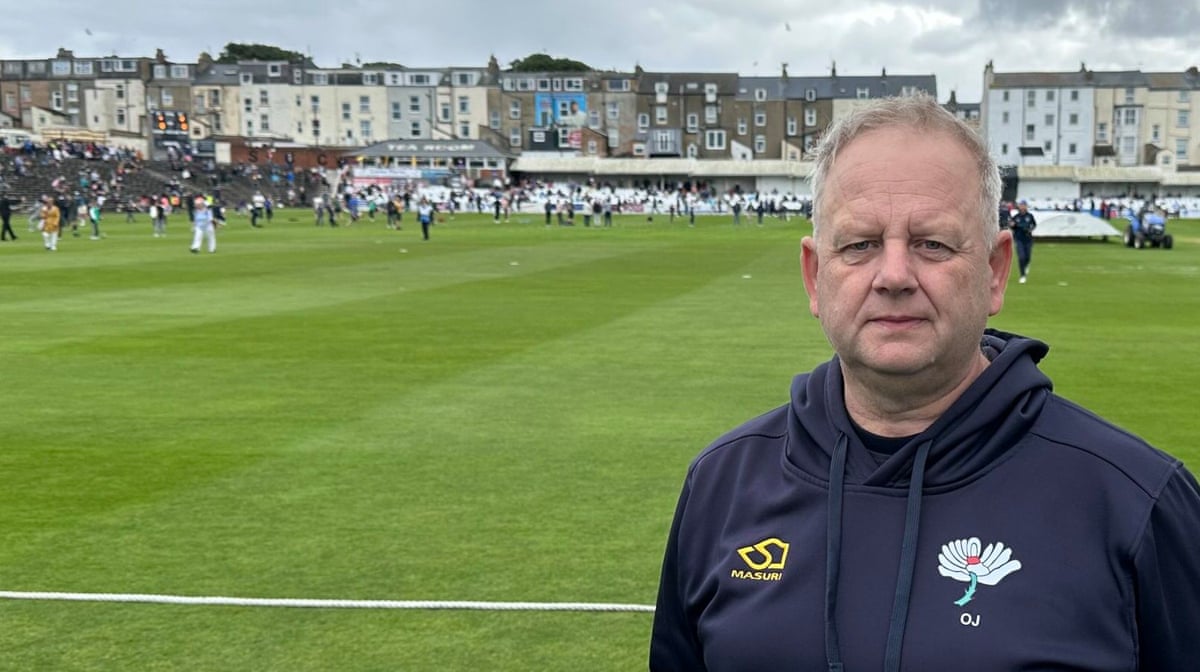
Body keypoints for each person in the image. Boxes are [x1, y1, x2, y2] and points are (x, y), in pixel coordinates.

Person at [649, 94, 1200, 671]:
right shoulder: (721, 485)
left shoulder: (1135, 502)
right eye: (859, 244)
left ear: (994, 271)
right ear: (815, 277)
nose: (892, 275)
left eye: (931, 243)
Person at [1010, 199, 1036, 283]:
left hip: (1028, 239)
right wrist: (1012, 225)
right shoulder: (1016, 217)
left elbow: (1034, 225)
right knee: (1021, 257)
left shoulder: (1030, 216)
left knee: (1027, 256)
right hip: (1019, 239)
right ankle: (1022, 275)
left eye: (1024, 205)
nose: (1022, 207)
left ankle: (1026, 265)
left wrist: (1029, 229)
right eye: (1021, 205)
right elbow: (1011, 225)